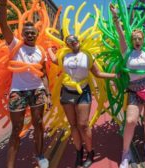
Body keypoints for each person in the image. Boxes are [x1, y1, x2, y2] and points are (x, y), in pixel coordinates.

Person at [0, 0, 51, 168]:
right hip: (18, 91)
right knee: (17, 129)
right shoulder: (15, 45)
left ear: (36, 34)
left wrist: (48, 92)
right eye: (27, 32)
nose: (30, 34)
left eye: (33, 33)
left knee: (38, 123)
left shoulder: (41, 51)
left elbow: (43, 73)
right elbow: (3, 23)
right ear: (23, 34)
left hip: (37, 90)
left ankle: (40, 155)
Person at [47, 35, 117, 168]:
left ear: (79, 41)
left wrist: (114, 76)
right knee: (73, 125)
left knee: (83, 125)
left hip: (83, 92)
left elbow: (97, 73)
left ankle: (90, 153)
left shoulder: (87, 55)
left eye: (75, 40)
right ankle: (79, 152)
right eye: (70, 41)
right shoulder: (64, 56)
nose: (73, 42)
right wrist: (49, 49)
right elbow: (55, 59)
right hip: (67, 92)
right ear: (67, 44)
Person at [109, 4, 145, 168]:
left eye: (140, 38)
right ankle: (125, 152)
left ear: (143, 40)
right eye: (135, 39)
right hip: (134, 90)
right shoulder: (127, 52)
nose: (137, 41)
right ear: (132, 41)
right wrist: (116, 18)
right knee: (131, 120)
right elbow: (121, 35)